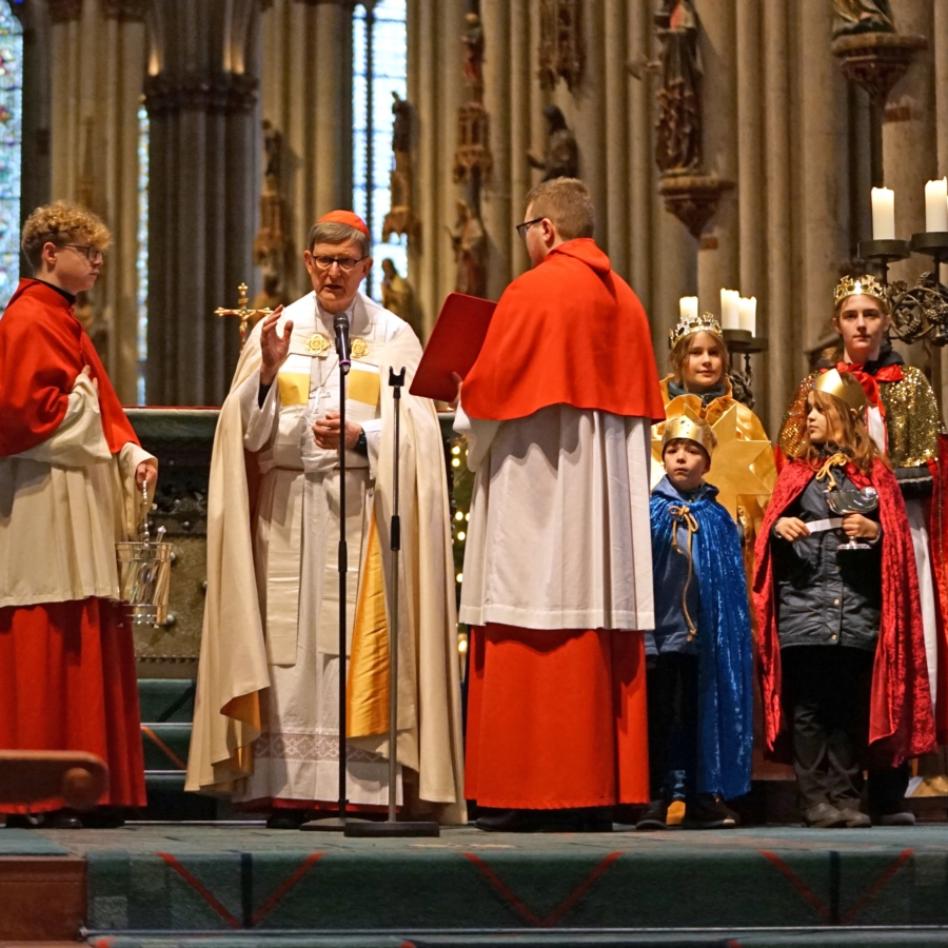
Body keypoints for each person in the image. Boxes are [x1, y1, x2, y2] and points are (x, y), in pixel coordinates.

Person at [186, 210, 464, 827]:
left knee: (349, 647)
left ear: (366, 267)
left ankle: (357, 789)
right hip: (287, 513)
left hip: (362, 516)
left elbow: (421, 432)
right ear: (307, 263)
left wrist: (364, 434)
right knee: (286, 647)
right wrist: (262, 372)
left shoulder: (394, 335)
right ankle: (285, 790)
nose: (333, 272)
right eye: (323, 261)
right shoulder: (277, 328)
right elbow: (244, 434)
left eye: (346, 262)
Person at [457, 177, 666, 831]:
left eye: (525, 231)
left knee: (534, 598)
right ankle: (601, 787)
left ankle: (530, 789)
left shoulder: (534, 290)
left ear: (546, 229)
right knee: (594, 601)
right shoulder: (626, 300)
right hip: (602, 510)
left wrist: (461, 403)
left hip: (539, 490)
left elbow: (485, 398)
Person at [0, 201, 156, 828]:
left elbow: (97, 402)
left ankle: (83, 785)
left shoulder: (61, 318)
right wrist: (90, 410)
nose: (96, 263)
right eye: (86, 252)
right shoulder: (27, 319)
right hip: (41, 500)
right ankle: (35, 790)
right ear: (48, 254)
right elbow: (19, 416)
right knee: (46, 629)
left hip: (74, 496)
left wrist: (128, 449)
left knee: (80, 624)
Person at [779, 274, 947, 823]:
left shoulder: (911, 383)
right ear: (837, 324)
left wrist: (878, 499)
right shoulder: (817, 385)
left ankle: (888, 788)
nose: (861, 325)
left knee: (898, 653)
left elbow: (928, 466)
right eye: (851, 316)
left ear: (884, 321)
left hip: (897, 533)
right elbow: (791, 463)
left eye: (870, 315)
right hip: (822, 561)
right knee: (829, 688)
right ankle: (825, 794)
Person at [756, 369, 935, 827]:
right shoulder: (796, 473)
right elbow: (768, 533)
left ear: (845, 417)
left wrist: (876, 530)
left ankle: (847, 794)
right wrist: (779, 528)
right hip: (803, 608)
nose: (809, 417)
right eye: (808, 409)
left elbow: (894, 542)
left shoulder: (875, 475)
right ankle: (814, 798)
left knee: (849, 705)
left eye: (820, 410)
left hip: (855, 611)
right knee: (811, 707)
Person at [638, 414, 752, 832]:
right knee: (662, 716)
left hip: (703, 641)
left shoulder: (717, 517)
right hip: (662, 638)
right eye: (673, 450)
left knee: (700, 715)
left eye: (691, 451)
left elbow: (730, 585)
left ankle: (704, 795)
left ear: (706, 462)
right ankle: (660, 795)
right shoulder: (649, 513)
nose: (680, 458)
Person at [653, 311, 775, 538]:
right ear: (679, 359)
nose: (707, 360)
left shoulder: (744, 419)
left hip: (731, 537)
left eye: (714, 353)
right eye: (696, 353)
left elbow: (766, 493)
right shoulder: (657, 416)